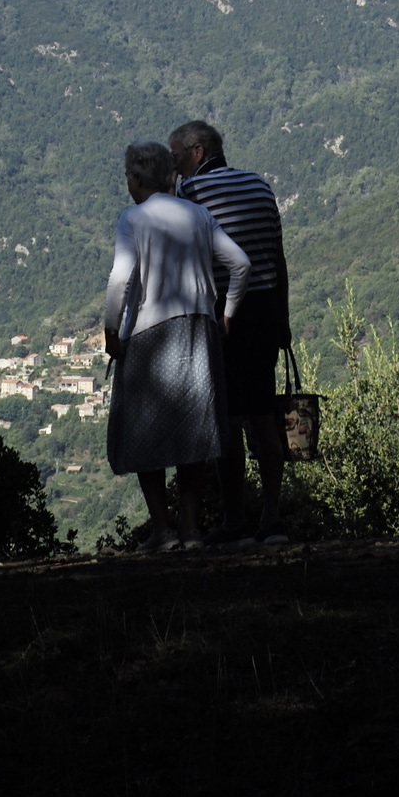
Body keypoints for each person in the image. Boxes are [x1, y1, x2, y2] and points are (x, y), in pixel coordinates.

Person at [105, 140, 250, 550]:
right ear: (170, 175)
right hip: (200, 332)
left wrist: (111, 331)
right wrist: (227, 313)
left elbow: (120, 279)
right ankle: (190, 529)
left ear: (135, 178)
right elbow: (241, 264)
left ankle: (162, 530)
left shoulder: (133, 218)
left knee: (142, 433)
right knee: (194, 431)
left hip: (149, 333)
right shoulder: (199, 215)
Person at [170, 120, 295, 544]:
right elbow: (278, 261)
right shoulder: (260, 186)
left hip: (221, 318)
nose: (175, 166)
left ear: (197, 152)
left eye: (177, 157)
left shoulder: (190, 195)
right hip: (264, 312)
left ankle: (234, 521)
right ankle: (272, 518)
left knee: (226, 420)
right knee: (263, 416)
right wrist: (284, 318)